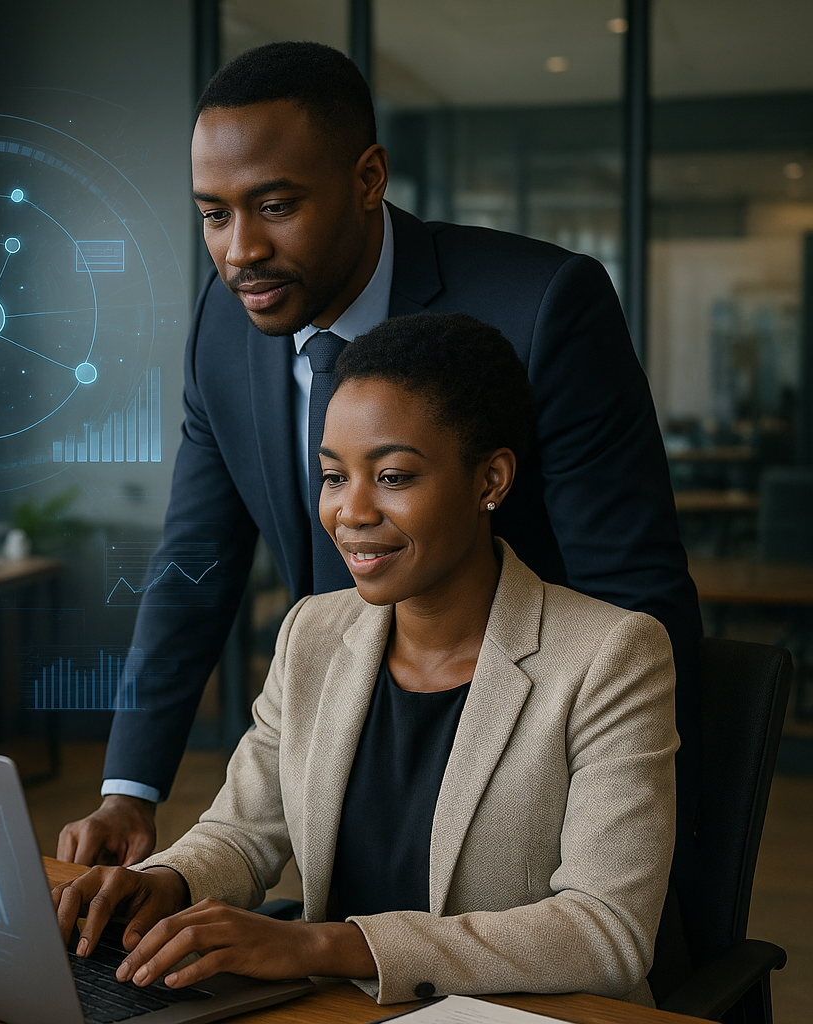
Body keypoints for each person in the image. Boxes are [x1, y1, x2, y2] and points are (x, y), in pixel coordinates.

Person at [59, 40, 700, 868]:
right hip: (331, 765)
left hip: (525, 770)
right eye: (214, 214)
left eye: (276, 205)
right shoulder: (222, 330)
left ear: (368, 179)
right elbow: (194, 560)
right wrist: (129, 792)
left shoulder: (544, 308)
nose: (240, 251)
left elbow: (634, 592)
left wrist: (643, 837)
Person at [53, 312, 678, 1006]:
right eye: (332, 475)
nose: (350, 511)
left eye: (393, 476)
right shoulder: (313, 632)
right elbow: (241, 832)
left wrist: (319, 945)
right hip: (337, 1011)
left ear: (489, 480)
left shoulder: (611, 656)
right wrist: (163, 882)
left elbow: (606, 932)